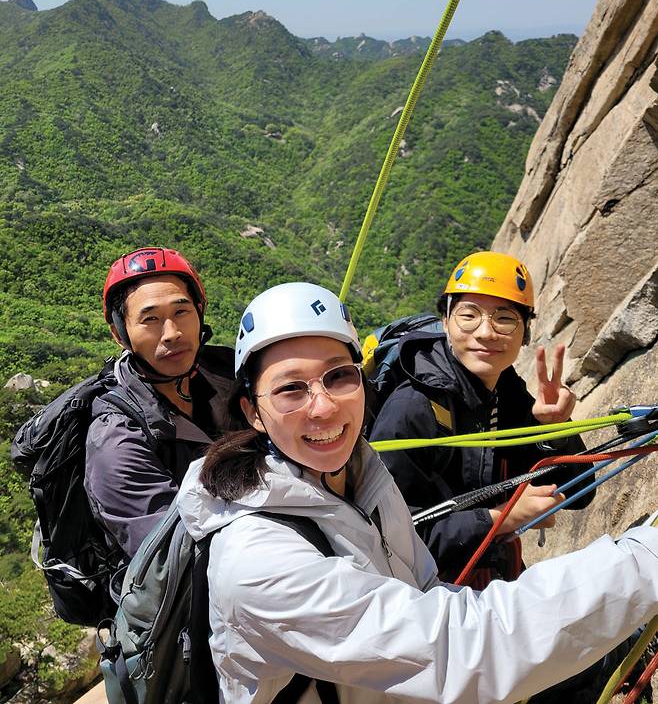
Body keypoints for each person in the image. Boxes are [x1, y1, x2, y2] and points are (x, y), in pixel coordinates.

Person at [176, 281, 658, 703]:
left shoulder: (362, 478)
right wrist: (643, 561)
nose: (323, 407)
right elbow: (459, 649)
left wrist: (555, 428)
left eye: (339, 376)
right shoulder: (257, 561)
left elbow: (423, 589)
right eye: (291, 390)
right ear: (253, 411)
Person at [368, 251, 594, 585]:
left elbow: (580, 492)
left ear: (526, 331)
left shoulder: (505, 392)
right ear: (445, 321)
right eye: (468, 315)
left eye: (504, 319)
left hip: (489, 573)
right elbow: (387, 543)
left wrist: (555, 429)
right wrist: (500, 519)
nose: (486, 332)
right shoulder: (412, 408)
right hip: (430, 597)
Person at [85, 246, 234, 560]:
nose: (172, 333)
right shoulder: (117, 441)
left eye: (181, 311)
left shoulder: (229, 371)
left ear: (199, 311)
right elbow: (170, 560)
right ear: (119, 333)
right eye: (150, 320)